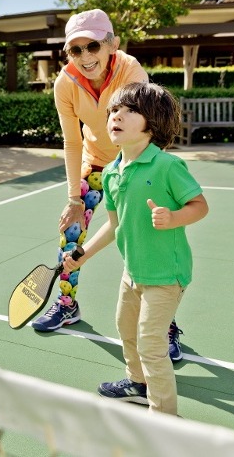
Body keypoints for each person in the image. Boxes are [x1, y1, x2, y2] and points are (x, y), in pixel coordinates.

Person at [31, 9, 184, 363]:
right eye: (76, 49)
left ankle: (164, 325)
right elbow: (71, 142)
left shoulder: (131, 70)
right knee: (71, 231)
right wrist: (73, 198)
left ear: (111, 44)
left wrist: (148, 175)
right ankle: (67, 305)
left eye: (93, 46)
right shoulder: (65, 84)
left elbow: (147, 125)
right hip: (96, 162)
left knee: (149, 240)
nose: (86, 56)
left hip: (134, 159)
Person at [62, 82, 209, 415]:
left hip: (165, 275)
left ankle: (164, 419)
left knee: (151, 344)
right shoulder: (112, 172)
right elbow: (114, 225)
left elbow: (200, 206)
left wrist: (174, 217)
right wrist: (83, 253)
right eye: (114, 110)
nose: (117, 116)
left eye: (130, 111)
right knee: (125, 328)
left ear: (151, 124)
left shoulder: (167, 166)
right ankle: (138, 384)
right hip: (133, 271)